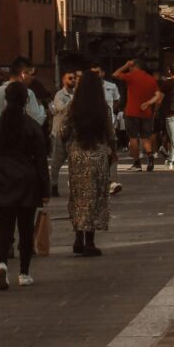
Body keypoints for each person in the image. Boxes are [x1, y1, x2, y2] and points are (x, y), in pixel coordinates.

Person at [0, 81, 49, 290]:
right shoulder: (32, 125)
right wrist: (45, 189)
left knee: (5, 227)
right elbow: (40, 159)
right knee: (26, 228)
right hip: (27, 178)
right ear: (26, 100)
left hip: (3, 176)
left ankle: (1, 263)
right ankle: (24, 272)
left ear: (6, 99)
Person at [65, 68, 115, 256]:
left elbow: (62, 131)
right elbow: (111, 134)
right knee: (94, 198)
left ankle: (78, 237)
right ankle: (90, 242)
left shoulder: (72, 107)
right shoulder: (104, 109)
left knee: (78, 197)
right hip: (98, 157)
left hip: (77, 157)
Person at [112, 57, 160, 171]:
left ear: (134, 66)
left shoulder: (131, 76)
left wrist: (125, 65)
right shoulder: (151, 79)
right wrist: (148, 103)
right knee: (145, 137)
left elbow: (115, 74)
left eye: (130, 67)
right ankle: (150, 155)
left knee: (133, 138)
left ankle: (137, 163)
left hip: (132, 112)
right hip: (146, 112)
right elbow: (158, 95)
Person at [0, 58, 47, 130]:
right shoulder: (27, 93)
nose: (33, 78)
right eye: (31, 74)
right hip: (20, 138)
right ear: (23, 74)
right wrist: (41, 107)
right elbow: (37, 121)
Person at [49, 68, 79, 196]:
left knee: (75, 163)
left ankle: (74, 187)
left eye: (74, 78)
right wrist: (76, 100)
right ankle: (53, 186)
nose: (73, 80)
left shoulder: (79, 94)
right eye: (70, 78)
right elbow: (63, 109)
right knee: (56, 163)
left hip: (74, 134)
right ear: (63, 80)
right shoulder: (59, 95)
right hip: (60, 133)